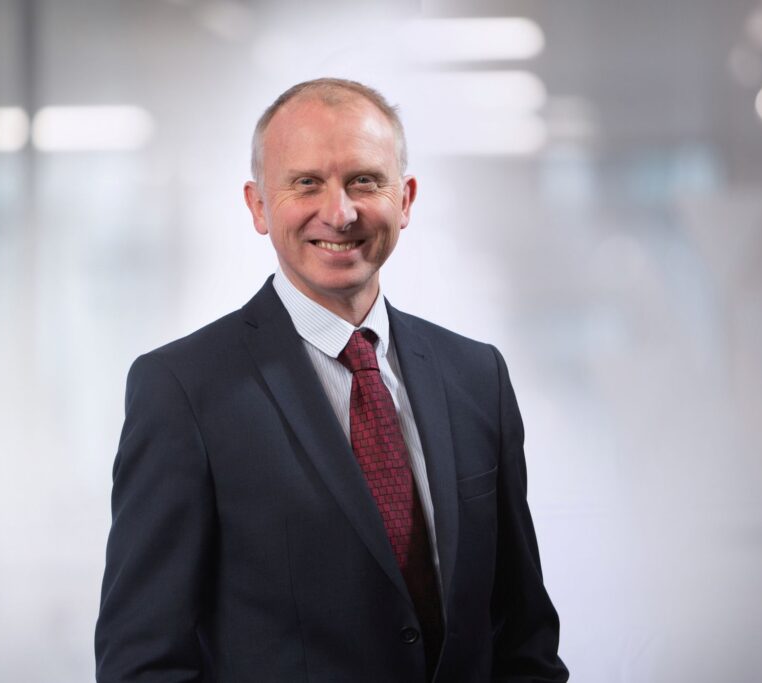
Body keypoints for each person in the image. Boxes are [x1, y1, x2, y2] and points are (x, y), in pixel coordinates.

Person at [95, 78, 568, 683]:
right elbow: (142, 663)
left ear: (405, 199)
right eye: (306, 183)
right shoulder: (182, 390)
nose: (339, 213)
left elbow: (523, 639)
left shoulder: (477, 377)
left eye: (364, 181)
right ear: (258, 206)